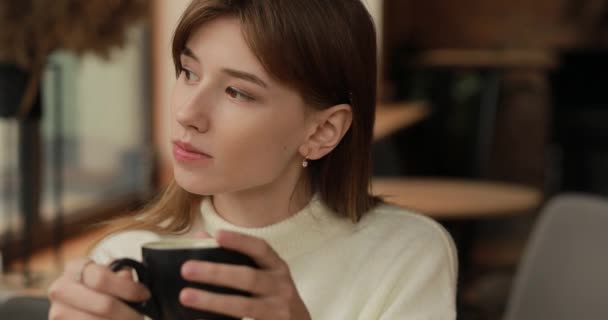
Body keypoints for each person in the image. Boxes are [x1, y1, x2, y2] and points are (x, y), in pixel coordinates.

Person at [47, 0, 458, 319]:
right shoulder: (123, 259)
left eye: (237, 92)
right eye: (189, 72)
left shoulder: (406, 256)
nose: (187, 112)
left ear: (321, 132)